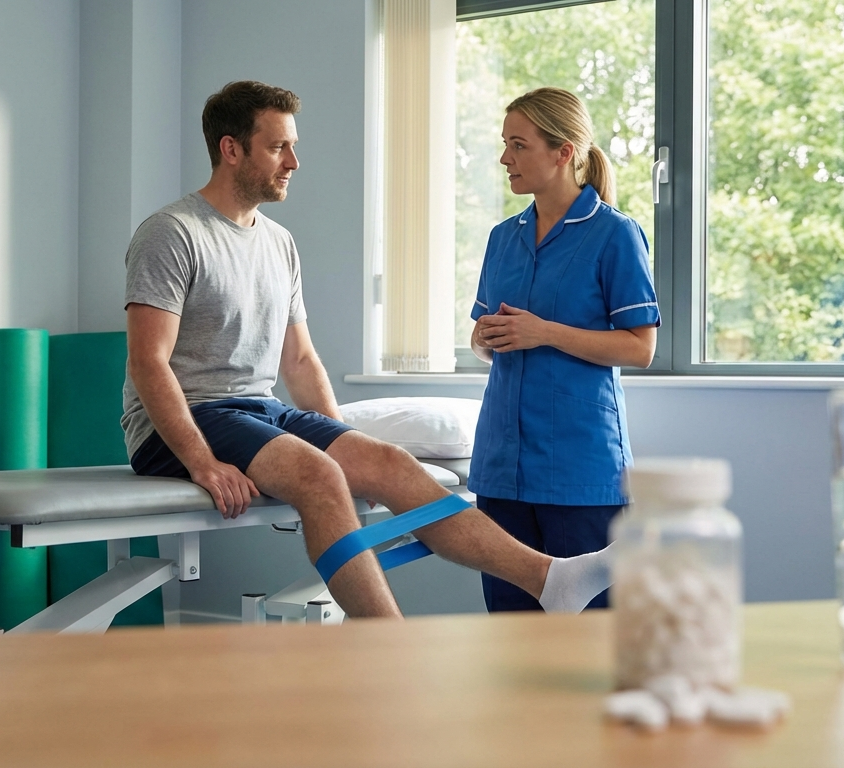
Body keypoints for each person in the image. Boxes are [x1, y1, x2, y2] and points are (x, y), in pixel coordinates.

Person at [122, 80, 613, 619]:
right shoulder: (173, 233)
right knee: (319, 475)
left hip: (253, 410)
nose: (294, 161)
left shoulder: (277, 242)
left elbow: (300, 360)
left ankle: (550, 580)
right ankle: (389, 649)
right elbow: (149, 362)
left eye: (293, 145)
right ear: (231, 148)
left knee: (388, 460)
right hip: (183, 422)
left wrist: (343, 442)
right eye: (278, 147)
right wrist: (203, 463)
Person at [468, 87, 660, 612]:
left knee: (591, 639)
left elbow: (640, 347)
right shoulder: (502, 238)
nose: (505, 158)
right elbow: (484, 341)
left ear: (563, 152)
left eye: (518, 144)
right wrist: (485, 338)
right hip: (501, 466)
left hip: (581, 470)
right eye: (505, 144)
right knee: (510, 633)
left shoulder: (615, 235)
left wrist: (546, 332)